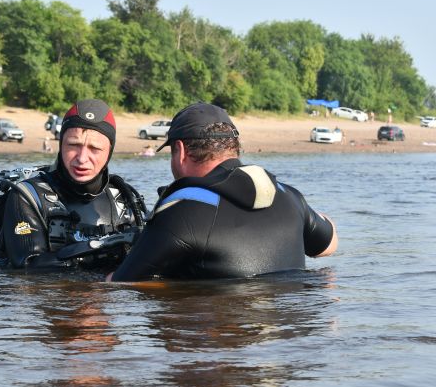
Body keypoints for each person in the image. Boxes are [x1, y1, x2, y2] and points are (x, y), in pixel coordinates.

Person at [107, 102, 337, 282]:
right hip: (288, 333)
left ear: (180, 150)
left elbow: (119, 282)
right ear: (234, 147)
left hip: (222, 335)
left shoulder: (181, 212)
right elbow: (329, 244)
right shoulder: (289, 196)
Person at [0, 99, 147, 270]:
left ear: (109, 151)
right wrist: (105, 248)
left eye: (94, 148)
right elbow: (27, 267)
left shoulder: (124, 198)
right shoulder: (28, 197)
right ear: (60, 144)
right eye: (73, 145)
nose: (82, 158)